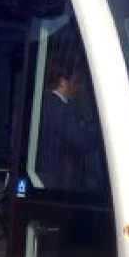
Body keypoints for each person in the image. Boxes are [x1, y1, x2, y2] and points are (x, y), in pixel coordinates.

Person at [35, 56, 101, 191]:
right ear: (63, 82)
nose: (77, 87)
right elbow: (78, 140)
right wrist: (99, 130)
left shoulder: (46, 102)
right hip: (57, 176)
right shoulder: (59, 109)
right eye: (75, 82)